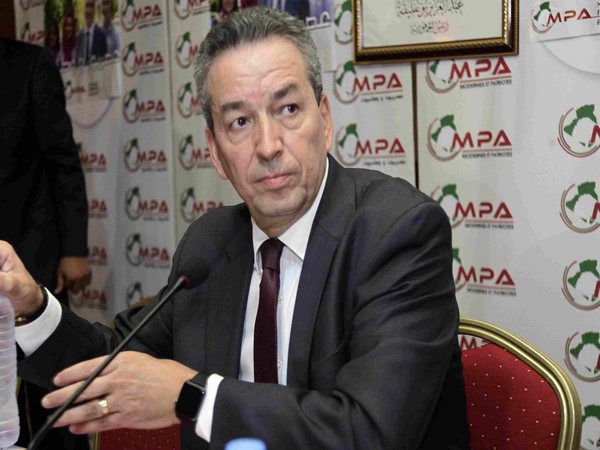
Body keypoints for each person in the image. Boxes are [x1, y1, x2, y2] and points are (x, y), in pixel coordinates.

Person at [2, 8, 468, 449]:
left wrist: (194, 396)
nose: (268, 145)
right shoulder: (211, 243)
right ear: (215, 151)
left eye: (288, 109)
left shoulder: (397, 232)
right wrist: (30, 306)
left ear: (325, 121)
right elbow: (114, 361)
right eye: (240, 121)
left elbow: (370, 431)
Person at [0, 38, 92, 449]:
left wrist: (73, 250)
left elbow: (62, 162)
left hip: (31, 257)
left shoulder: (28, 65)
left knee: (50, 395)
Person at [75, 0, 107, 65]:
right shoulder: (79, 36)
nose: (88, 10)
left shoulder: (101, 35)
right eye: (87, 6)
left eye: (92, 6)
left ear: (95, 10)